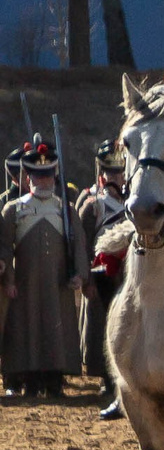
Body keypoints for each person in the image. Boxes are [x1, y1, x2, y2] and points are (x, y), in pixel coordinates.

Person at [3, 138, 89, 400]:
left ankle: (54, 381)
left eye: (47, 176)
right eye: (37, 177)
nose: (43, 182)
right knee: (24, 330)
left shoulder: (66, 210)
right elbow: (5, 248)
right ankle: (26, 378)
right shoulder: (13, 210)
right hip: (25, 283)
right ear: (27, 178)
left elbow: (80, 248)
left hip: (57, 282)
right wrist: (9, 279)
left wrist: (80, 275)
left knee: (55, 328)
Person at [78, 138, 129, 418]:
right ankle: (105, 378)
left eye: (120, 172)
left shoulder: (134, 200)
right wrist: (86, 278)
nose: (116, 178)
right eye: (111, 173)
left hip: (127, 275)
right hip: (101, 276)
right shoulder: (94, 205)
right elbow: (83, 245)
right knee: (100, 328)